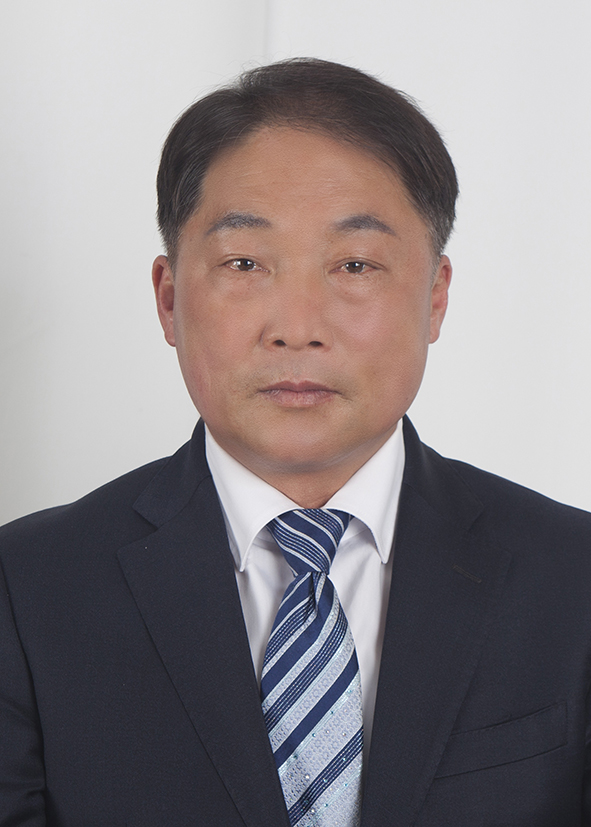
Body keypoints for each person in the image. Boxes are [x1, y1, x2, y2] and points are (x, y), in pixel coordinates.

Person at [0, 58, 589, 827]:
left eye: (355, 264)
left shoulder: (572, 578)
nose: (297, 326)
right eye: (244, 262)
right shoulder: (26, 590)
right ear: (169, 299)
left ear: (435, 297)